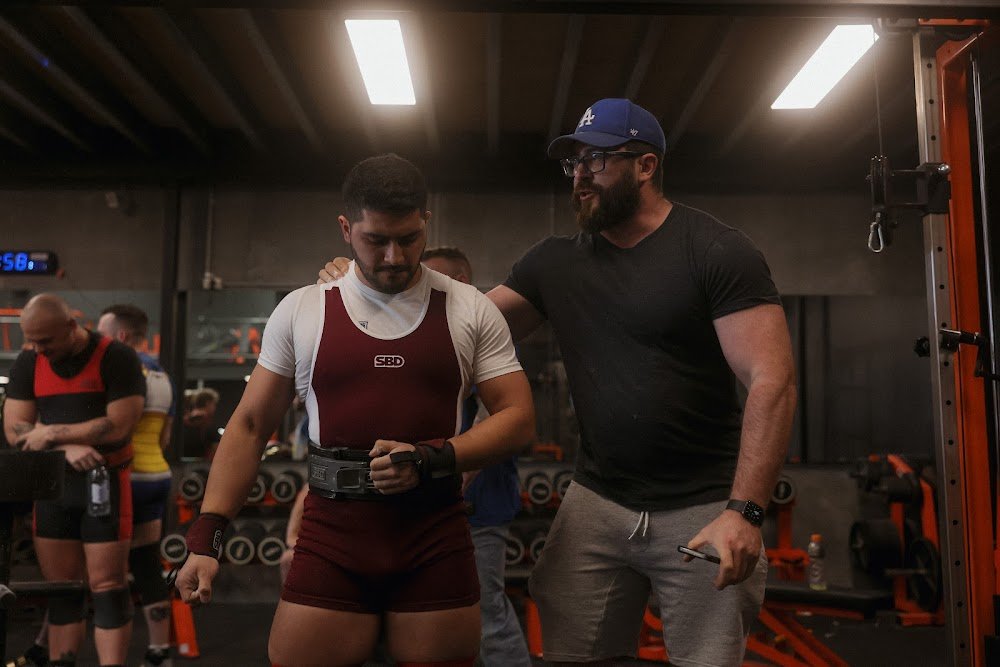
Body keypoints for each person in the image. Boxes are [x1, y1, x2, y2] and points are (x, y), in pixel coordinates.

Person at [322, 99, 797, 666]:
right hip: (598, 500)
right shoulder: (555, 264)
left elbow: (772, 380)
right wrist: (356, 285)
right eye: (573, 164)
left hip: (703, 504)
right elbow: (454, 329)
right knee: (572, 652)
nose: (579, 178)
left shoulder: (715, 251)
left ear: (646, 166)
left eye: (596, 162)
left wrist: (743, 513)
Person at [174, 153, 535, 667]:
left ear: (425, 224)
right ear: (346, 229)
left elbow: (518, 419)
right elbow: (251, 425)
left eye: (408, 239)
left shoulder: (469, 308)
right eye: (375, 240)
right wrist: (206, 538)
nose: (393, 256)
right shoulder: (302, 308)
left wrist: (432, 458)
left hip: (434, 534)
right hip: (333, 534)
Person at [310, 246, 531, 666]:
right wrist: (344, 279)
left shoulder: (476, 328)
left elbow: (502, 420)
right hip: (406, 511)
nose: (421, 288)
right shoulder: (412, 333)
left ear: (462, 285)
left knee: (488, 619)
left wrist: (441, 469)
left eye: (433, 279)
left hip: (474, 509)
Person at [3, 294, 146, 667]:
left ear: (71, 327)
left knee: (108, 589)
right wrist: (64, 446)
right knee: (62, 594)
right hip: (52, 488)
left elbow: (118, 426)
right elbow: (14, 431)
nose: (37, 349)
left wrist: (48, 434)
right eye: (31, 340)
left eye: (45, 341)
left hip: (104, 485)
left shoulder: (117, 357)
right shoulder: (28, 361)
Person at [97, 305, 176, 667]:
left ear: (121, 337)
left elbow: (114, 430)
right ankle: (160, 651)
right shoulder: (162, 375)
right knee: (146, 564)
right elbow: (163, 440)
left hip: (126, 477)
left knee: (105, 573)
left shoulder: (120, 370)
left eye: (102, 333)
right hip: (157, 476)